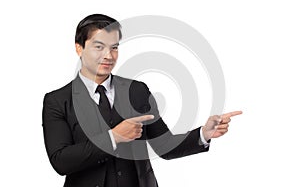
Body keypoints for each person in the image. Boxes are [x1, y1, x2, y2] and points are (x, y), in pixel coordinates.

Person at [42, 14, 242, 187]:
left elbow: (164, 145)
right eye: (98, 47)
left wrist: (204, 134)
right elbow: (61, 161)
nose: (108, 56)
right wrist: (113, 137)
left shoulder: (136, 90)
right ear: (79, 48)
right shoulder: (57, 101)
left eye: (114, 47)